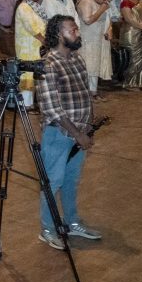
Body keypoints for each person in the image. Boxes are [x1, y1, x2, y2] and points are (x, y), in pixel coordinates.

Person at [35, 15, 103, 249]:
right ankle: (47, 229)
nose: (77, 33)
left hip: (80, 132)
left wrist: (89, 127)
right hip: (59, 134)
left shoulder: (76, 58)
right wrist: (78, 134)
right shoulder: (48, 64)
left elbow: (85, 94)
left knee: (71, 181)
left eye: (76, 29)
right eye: (72, 30)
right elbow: (51, 108)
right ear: (58, 35)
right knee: (53, 182)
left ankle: (72, 222)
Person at [76, 0, 113, 101]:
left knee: (95, 66)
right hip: (87, 39)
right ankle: (85, 93)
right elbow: (87, 20)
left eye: (108, 0)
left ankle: (93, 91)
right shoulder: (86, 2)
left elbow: (108, 20)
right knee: (88, 66)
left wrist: (109, 30)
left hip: (98, 39)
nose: (106, 2)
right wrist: (101, 10)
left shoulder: (102, 4)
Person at [14, 0, 48, 106]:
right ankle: (26, 105)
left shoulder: (36, 7)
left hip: (38, 46)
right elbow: (31, 27)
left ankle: (33, 103)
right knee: (27, 73)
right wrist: (44, 40)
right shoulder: (23, 7)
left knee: (37, 73)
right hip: (27, 46)